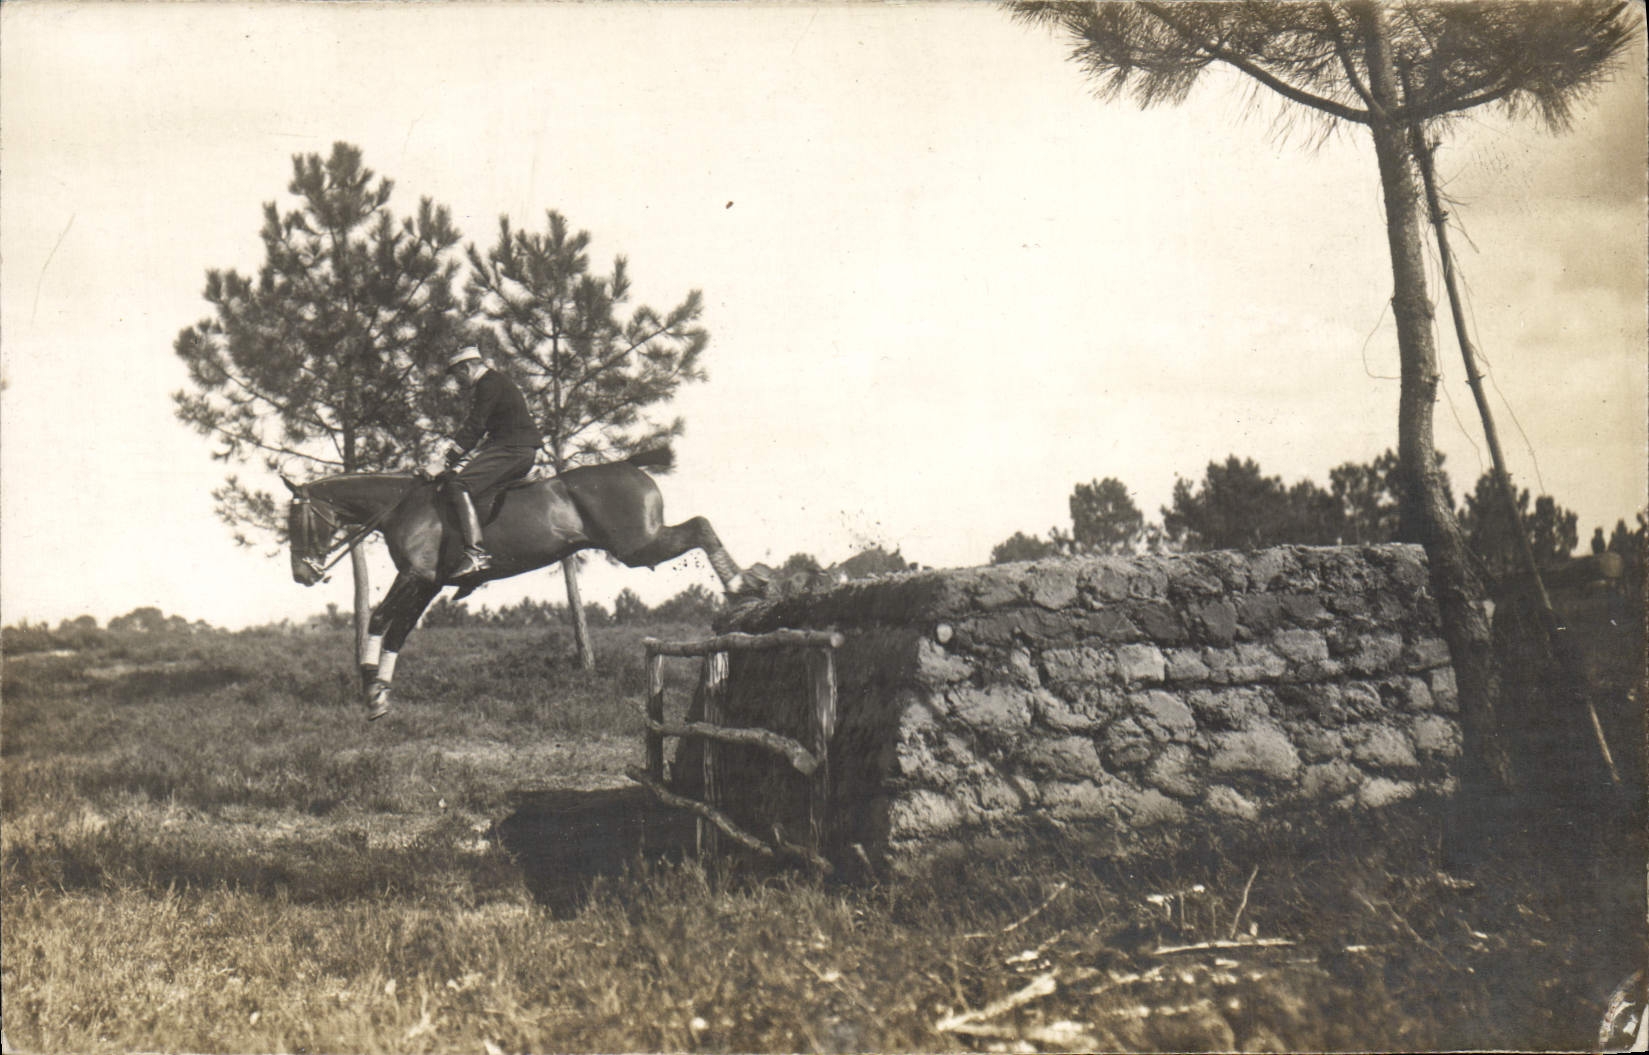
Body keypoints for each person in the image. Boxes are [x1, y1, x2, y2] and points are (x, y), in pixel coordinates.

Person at [440, 346, 540, 577]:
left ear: (466, 368)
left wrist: (446, 460)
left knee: (458, 485)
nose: (458, 381)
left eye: (457, 375)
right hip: (513, 448)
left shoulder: (488, 384)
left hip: (513, 449)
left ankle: (476, 554)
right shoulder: (494, 382)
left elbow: (476, 426)